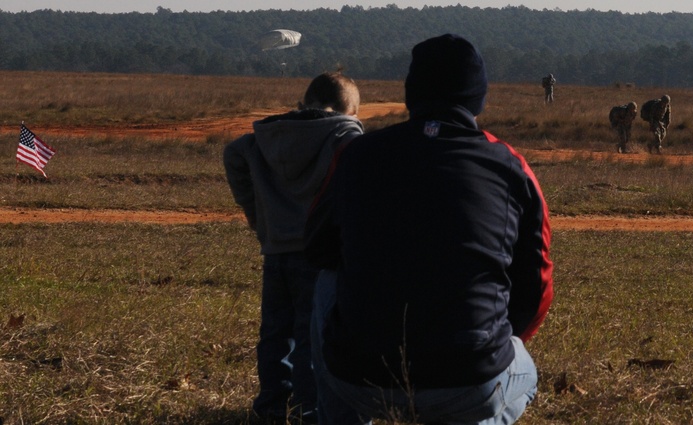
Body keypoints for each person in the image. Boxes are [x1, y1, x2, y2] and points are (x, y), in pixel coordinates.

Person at [306, 34, 553, 425]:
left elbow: (317, 248)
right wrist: (495, 342)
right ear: (478, 98)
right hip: (469, 380)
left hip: (361, 380)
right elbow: (537, 284)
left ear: (412, 94)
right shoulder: (510, 165)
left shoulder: (357, 155)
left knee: (327, 279)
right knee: (526, 373)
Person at [224, 71, 364, 424]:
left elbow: (233, 153)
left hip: (275, 250)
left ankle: (270, 407)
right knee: (310, 336)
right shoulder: (345, 134)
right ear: (349, 110)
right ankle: (307, 410)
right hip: (318, 253)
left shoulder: (268, 133)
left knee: (274, 332)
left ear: (306, 102)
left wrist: (255, 212)